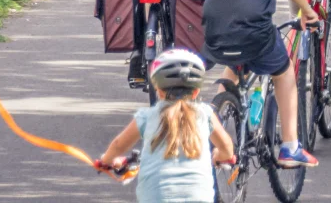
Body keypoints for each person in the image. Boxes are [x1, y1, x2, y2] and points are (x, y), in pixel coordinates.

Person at [200, 0, 320, 168]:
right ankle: (290, 146)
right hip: (255, 36)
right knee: (284, 71)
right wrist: (308, 12)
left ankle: (213, 123)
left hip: (215, 34)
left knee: (231, 67)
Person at [96, 49, 236, 203]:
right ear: (196, 92)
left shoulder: (146, 117)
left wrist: (107, 161)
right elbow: (227, 147)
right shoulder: (205, 114)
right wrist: (220, 156)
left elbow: (118, 145)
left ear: (159, 91)